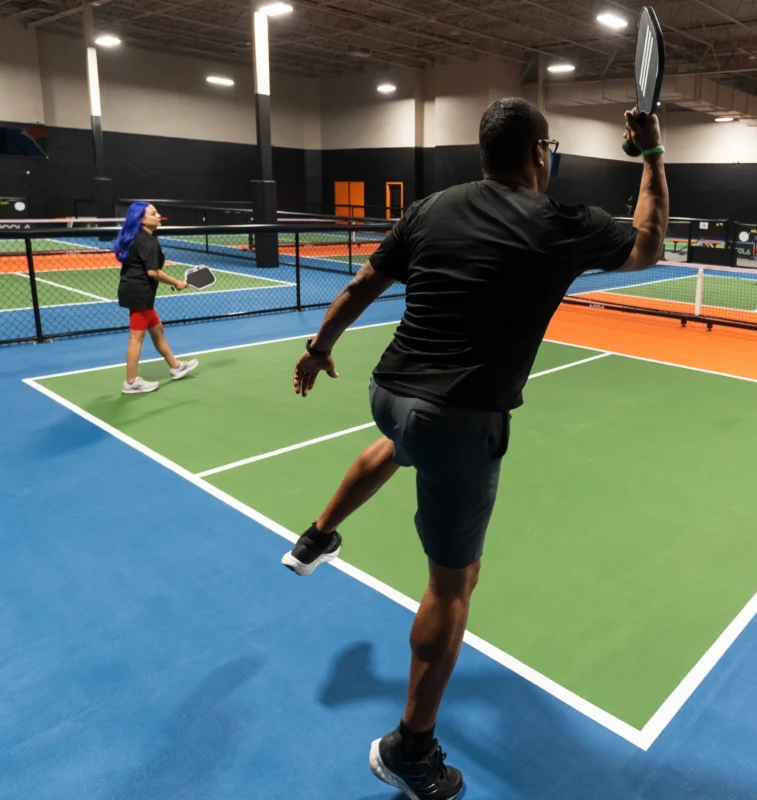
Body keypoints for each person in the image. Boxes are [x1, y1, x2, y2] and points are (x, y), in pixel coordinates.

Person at [284, 97, 669, 799]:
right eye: (550, 151)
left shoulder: (431, 207)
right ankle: (410, 747)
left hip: (389, 391)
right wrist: (649, 154)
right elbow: (649, 243)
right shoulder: (559, 223)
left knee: (397, 444)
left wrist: (318, 348)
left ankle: (316, 536)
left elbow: (366, 281)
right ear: (538, 155)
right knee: (451, 587)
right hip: (456, 421)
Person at [114, 202, 198, 393]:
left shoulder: (138, 238)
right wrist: (177, 282)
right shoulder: (148, 242)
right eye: (154, 213)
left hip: (135, 290)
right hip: (140, 293)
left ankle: (176, 367)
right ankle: (131, 382)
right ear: (141, 219)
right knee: (136, 337)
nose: (159, 215)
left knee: (157, 330)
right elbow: (153, 272)